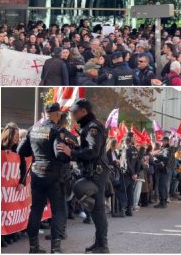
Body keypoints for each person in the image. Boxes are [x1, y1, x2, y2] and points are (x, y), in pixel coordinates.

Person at [57, 99, 110, 253]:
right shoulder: (89, 126)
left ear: (84, 111)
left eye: (75, 112)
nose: (72, 115)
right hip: (93, 171)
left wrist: (71, 153)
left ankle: (103, 245)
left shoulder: (93, 127)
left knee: (98, 210)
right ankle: (99, 242)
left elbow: (93, 151)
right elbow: (89, 148)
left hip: (97, 173)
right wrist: (75, 146)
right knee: (94, 209)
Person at [17, 103, 69, 253]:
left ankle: (34, 248)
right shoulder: (56, 130)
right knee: (58, 210)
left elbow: (21, 150)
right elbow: (59, 154)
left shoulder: (32, 129)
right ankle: (56, 249)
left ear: (44, 113)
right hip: (54, 175)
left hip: (37, 175)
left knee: (36, 210)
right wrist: (67, 154)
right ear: (57, 115)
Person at [152, 136, 173, 209]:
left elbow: (166, 159)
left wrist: (158, 156)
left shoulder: (168, 149)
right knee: (161, 186)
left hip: (164, 170)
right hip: (160, 169)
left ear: (167, 141)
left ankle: (163, 203)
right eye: (162, 141)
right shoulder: (162, 148)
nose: (162, 142)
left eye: (163, 141)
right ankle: (162, 202)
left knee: (162, 187)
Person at [122, 136, 141, 216]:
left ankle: (124, 208)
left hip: (127, 174)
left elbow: (127, 163)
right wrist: (136, 173)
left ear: (125, 142)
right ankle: (129, 209)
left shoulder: (125, 150)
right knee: (130, 192)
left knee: (124, 191)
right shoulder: (135, 150)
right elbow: (138, 163)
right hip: (133, 174)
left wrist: (133, 173)